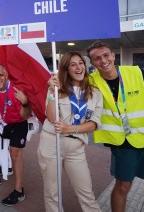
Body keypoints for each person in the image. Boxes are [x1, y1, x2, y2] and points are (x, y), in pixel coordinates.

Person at [86, 41, 144, 212]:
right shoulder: (90, 82)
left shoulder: (135, 72)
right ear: (92, 63)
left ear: (113, 56)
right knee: (123, 186)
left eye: (106, 55)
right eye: (97, 58)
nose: (103, 60)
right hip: (122, 142)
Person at [38, 52, 102, 212]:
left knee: (86, 193)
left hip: (76, 147)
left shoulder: (95, 93)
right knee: (53, 193)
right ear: (66, 69)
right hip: (52, 144)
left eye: (81, 63)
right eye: (73, 64)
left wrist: (71, 128)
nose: (79, 67)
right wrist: (53, 94)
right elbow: (52, 117)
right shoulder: (56, 88)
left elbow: (94, 123)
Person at [0, 63, 31, 206]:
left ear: (6, 75)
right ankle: (2, 169)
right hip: (5, 122)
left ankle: (19, 191)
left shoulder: (16, 91)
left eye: (1, 75)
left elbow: (25, 115)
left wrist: (24, 103)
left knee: (15, 154)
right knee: (1, 147)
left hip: (19, 123)